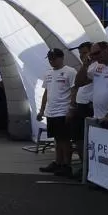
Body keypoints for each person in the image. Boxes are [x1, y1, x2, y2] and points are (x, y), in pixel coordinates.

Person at [36, 48, 77, 177]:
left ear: (61, 58)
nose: (51, 61)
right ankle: (58, 163)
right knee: (57, 139)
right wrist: (42, 110)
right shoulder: (48, 73)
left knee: (65, 140)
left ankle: (67, 165)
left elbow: (74, 91)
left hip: (63, 111)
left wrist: (71, 109)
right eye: (49, 58)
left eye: (54, 58)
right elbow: (46, 92)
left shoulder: (70, 72)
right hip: (51, 112)